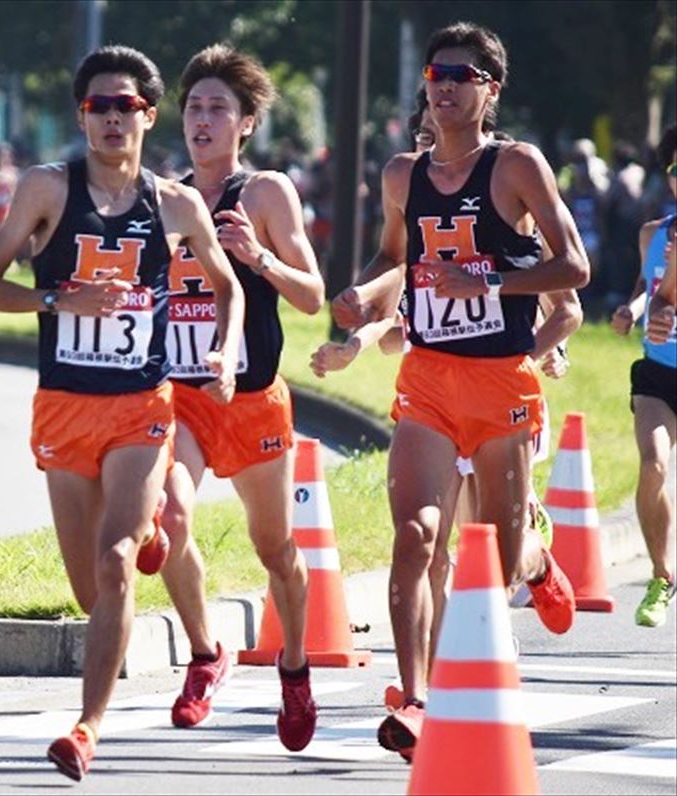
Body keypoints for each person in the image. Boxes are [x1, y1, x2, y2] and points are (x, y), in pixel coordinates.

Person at [0, 45, 244, 781]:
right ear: (81, 116)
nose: (114, 118)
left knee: (118, 564)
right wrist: (58, 299)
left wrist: (226, 350)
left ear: (149, 116)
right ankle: (146, 526)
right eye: (100, 106)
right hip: (64, 406)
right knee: (90, 592)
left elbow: (228, 287)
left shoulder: (177, 204)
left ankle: (87, 728)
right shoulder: (46, 190)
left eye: (127, 106)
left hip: (141, 409)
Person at [328, 21, 590, 761]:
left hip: (501, 379)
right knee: (415, 539)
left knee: (499, 561)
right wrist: (364, 295)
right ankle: (414, 698)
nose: (444, 84)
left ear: (490, 90)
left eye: (463, 75)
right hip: (430, 379)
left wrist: (488, 279)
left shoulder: (516, 166)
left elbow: (573, 270)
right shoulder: (401, 174)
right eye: (437, 73)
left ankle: (537, 560)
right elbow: (394, 258)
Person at [154, 44, 324, 752]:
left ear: (246, 123)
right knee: (165, 516)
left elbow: (313, 297)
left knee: (275, 548)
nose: (202, 119)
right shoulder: (165, 198)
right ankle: (204, 653)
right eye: (194, 107)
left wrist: (259, 258)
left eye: (218, 108)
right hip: (185, 398)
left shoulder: (265, 193)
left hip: (252, 399)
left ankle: (294, 668)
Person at [610, 124, 676, 628]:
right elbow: (644, 286)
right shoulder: (654, 233)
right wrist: (632, 311)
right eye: (675, 171)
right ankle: (662, 575)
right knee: (652, 465)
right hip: (657, 370)